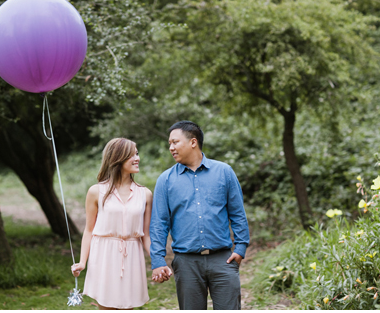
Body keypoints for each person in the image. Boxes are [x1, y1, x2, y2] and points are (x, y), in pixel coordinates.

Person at [150, 121, 249, 310]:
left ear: (193, 142)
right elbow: (159, 223)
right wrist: (157, 259)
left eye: (175, 142)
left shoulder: (224, 172)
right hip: (186, 263)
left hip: (223, 260)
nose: (171, 148)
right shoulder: (166, 180)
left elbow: (237, 213)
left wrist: (241, 247)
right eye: (169, 143)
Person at [72, 138, 152, 310]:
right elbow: (89, 230)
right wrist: (82, 262)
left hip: (132, 255)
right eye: (132, 155)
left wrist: (158, 262)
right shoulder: (96, 191)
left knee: (128, 306)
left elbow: (146, 234)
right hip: (104, 255)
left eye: (137, 153)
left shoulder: (145, 194)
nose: (137, 158)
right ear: (117, 158)